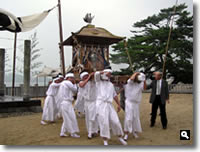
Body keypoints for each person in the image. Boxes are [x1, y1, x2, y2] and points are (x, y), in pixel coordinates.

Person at [95, 68, 127, 145]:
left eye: (109, 74)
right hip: (101, 105)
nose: (108, 75)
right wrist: (102, 72)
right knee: (104, 122)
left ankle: (120, 137)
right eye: (107, 74)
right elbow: (96, 75)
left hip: (109, 105)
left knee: (115, 121)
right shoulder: (98, 82)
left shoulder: (110, 85)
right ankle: (105, 140)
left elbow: (114, 95)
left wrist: (118, 104)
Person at [123, 72, 146, 141]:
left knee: (135, 118)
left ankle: (134, 132)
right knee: (128, 118)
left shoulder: (141, 83)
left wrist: (144, 79)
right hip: (129, 102)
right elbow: (131, 78)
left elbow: (144, 88)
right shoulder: (130, 82)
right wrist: (136, 73)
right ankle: (126, 134)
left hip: (136, 103)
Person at [79, 71, 99, 139]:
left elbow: (97, 78)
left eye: (87, 75)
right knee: (88, 117)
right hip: (87, 103)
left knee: (93, 117)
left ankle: (92, 132)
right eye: (85, 76)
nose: (87, 76)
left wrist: (93, 75)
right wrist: (89, 77)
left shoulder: (93, 81)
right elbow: (82, 85)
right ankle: (91, 131)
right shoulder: (82, 83)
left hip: (94, 102)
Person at [59, 73, 80, 138]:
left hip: (65, 103)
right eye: (72, 78)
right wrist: (75, 83)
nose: (73, 79)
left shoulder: (63, 83)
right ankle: (73, 133)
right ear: (69, 78)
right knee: (72, 118)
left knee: (66, 118)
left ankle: (62, 132)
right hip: (66, 103)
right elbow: (75, 90)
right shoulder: (67, 82)